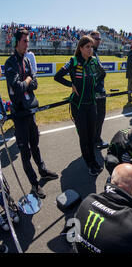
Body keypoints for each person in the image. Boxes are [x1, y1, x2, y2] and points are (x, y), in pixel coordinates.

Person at [4, 28, 58, 199]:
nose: (27, 44)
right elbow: (19, 88)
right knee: (25, 151)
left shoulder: (27, 61)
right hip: (19, 114)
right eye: (24, 41)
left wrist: (27, 81)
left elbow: (35, 84)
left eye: (28, 41)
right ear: (16, 42)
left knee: (35, 143)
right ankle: (34, 185)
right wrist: (27, 79)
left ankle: (42, 170)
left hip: (30, 110)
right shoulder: (10, 63)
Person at [54, 35, 103, 176]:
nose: (90, 50)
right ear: (80, 48)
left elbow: (102, 74)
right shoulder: (74, 61)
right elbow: (57, 76)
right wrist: (71, 84)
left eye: (92, 47)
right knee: (84, 137)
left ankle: (93, 160)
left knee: (92, 135)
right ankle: (89, 163)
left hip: (92, 104)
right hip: (78, 106)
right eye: (87, 47)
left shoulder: (94, 61)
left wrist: (95, 85)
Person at [89, 31, 108, 150]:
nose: (98, 40)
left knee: (99, 117)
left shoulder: (94, 52)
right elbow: (99, 73)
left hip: (98, 90)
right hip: (96, 91)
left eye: (99, 39)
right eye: (96, 38)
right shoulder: (91, 53)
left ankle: (96, 138)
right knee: (98, 116)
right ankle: (96, 139)